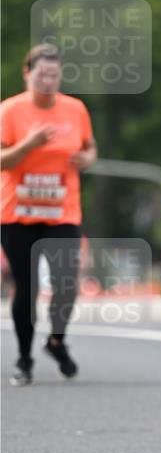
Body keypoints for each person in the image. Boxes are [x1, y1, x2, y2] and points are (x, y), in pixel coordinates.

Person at [0, 43, 97, 385]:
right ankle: (24, 359)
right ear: (27, 74)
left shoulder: (75, 110)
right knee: (25, 289)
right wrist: (29, 143)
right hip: (17, 214)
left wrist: (87, 160)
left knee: (67, 283)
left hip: (62, 212)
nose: (48, 81)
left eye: (54, 75)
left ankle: (56, 341)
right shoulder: (10, 111)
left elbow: (89, 147)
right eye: (42, 74)